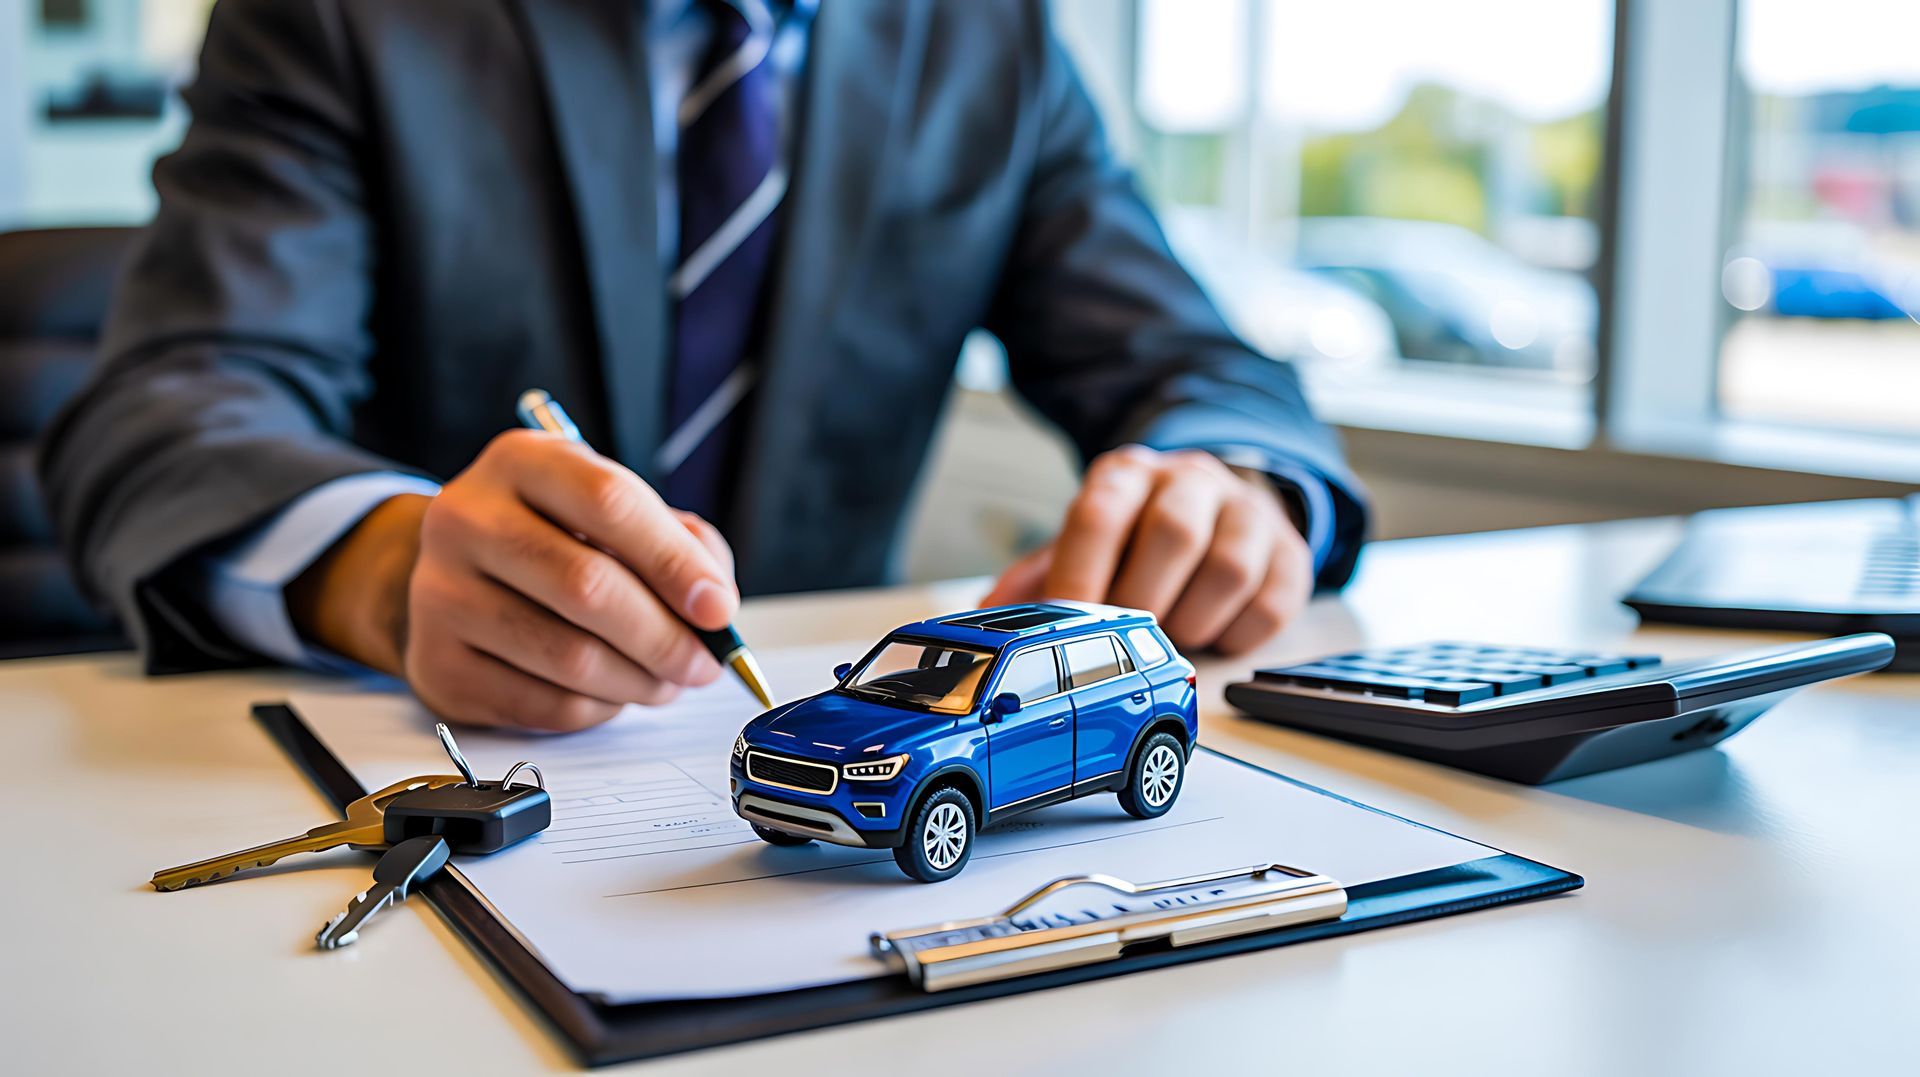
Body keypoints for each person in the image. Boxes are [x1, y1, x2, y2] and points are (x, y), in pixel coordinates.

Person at [38, 0, 1368, 732]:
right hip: (425, 789)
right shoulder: (347, 19)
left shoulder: (990, 41)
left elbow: (1200, 364)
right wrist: (389, 573)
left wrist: (1234, 486)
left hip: (837, 768)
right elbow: (165, 414)